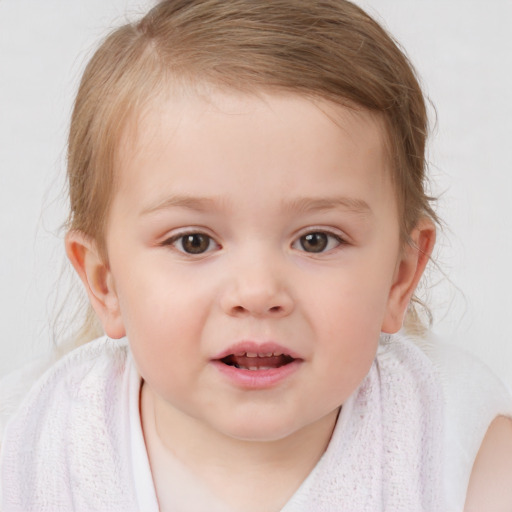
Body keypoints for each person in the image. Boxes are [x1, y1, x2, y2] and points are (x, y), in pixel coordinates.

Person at [1, 1, 511, 510]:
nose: (258, 292)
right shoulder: (31, 452)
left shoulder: (465, 466)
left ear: (400, 277)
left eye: (316, 240)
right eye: (193, 241)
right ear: (104, 281)